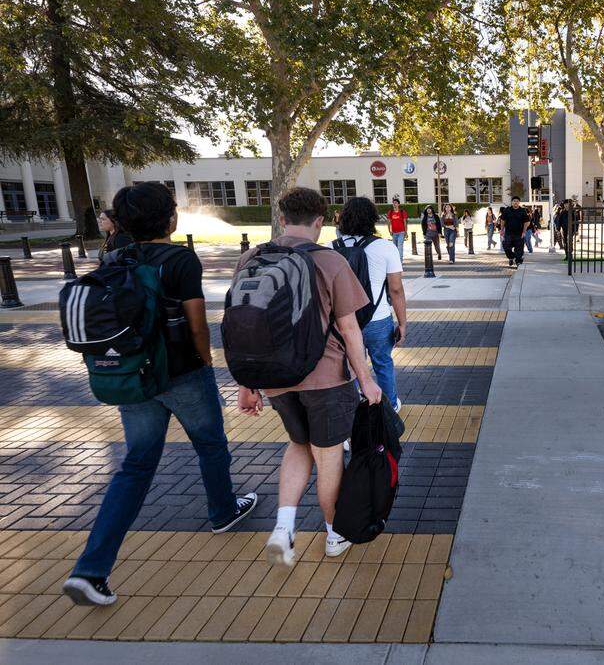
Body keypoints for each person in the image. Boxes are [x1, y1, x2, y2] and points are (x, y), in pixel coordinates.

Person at [63, 182, 257, 607]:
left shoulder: (115, 257)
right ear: (169, 218)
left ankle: (90, 569)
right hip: (182, 374)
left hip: (134, 377)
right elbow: (197, 323)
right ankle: (222, 511)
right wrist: (206, 361)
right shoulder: (180, 259)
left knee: (135, 466)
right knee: (210, 445)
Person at [235, 187, 383, 567]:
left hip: (275, 377)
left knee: (299, 445)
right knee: (329, 455)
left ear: (282, 218)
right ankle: (334, 533)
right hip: (327, 378)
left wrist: (247, 384)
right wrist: (367, 381)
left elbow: (243, 324)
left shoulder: (252, 258)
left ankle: (284, 527)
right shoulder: (329, 261)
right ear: (320, 221)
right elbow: (350, 330)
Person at [335, 198, 407, 413]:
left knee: (349, 367)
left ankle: (355, 408)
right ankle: (389, 406)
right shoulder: (385, 247)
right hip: (378, 318)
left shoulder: (329, 248)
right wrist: (402, 323)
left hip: (342, 320)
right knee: (383, 363)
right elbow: (395, 290)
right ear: (373, 219)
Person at [500, 196, 530, 268]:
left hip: (519, 233)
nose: (515, 202)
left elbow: (527, 222)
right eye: (514, 201)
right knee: (506, 246)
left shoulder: (522, 211)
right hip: (508, 233)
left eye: (517, 201)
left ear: (519, 202)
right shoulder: (507, 210)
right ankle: (511, 257)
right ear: (512, 202)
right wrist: (501, 230)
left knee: (519, 248)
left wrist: (524, 232)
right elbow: (503, 220)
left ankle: (518, 261)